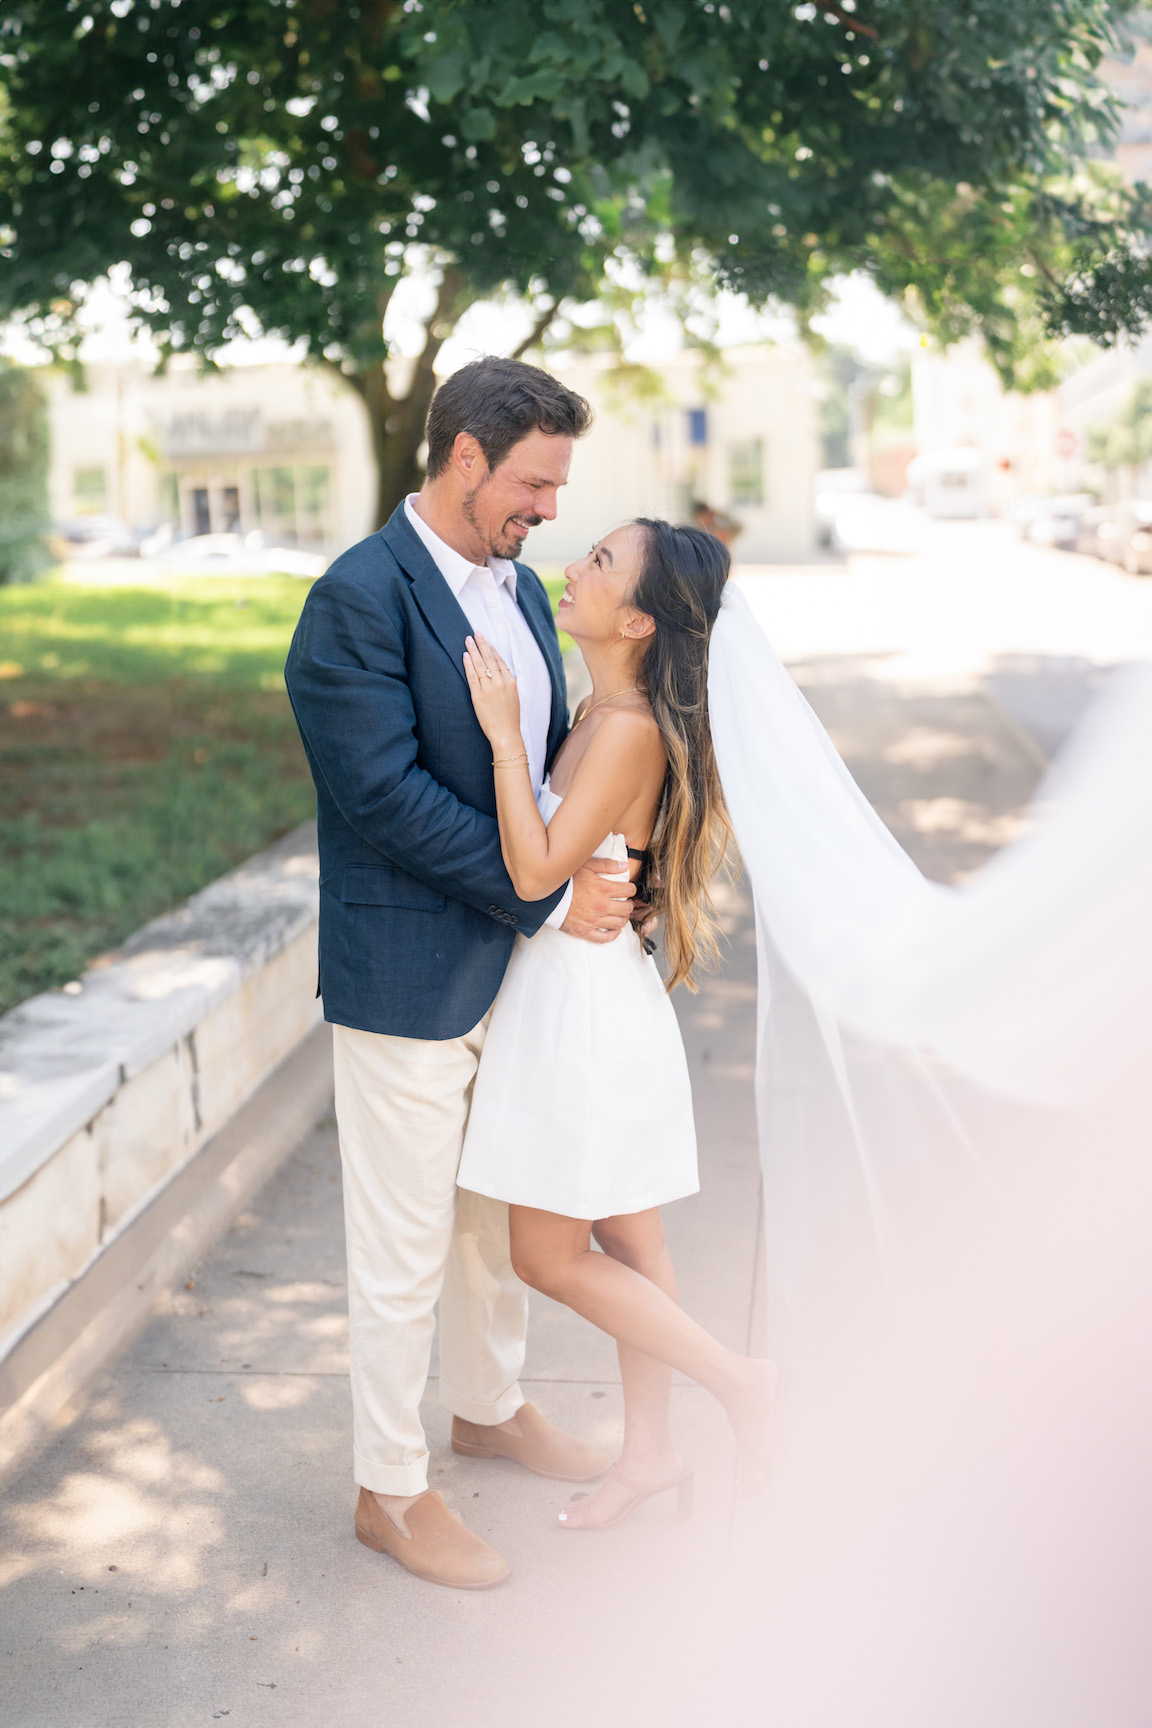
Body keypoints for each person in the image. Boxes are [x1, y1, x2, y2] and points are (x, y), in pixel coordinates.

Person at [285, 357, 646, 1591]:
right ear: (463, 457)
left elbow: (537, 765)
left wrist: (589, 860)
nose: (549, 509)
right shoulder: (358, 598)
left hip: (519, 977)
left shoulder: (524, 592)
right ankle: (389, 1487)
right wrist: (540, 893)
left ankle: (490, 1408)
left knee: (497, 1223)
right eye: (534, 482)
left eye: (555, 487)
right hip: (404, 977)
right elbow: (382, 797)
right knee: (401, 1247)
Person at [457, 519, 777, 1529]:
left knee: (546, 1257)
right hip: (596, 994)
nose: (572, 567)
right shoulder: (608, 709)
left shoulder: (628, 727)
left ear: (637, 618)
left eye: (599, 561)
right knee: (635, 1248)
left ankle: (742, 1381)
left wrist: (507, 740)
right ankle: (650, 1455)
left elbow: (536, 870)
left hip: (582, 1014)